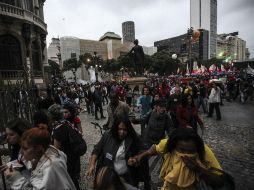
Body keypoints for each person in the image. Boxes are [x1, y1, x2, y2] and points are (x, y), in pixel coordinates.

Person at [129, 128, 224, 190]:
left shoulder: (204, 151)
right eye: (182, 150)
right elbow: (154, 149)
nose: (186, 154)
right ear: (174, 147)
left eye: (191, 151)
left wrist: (198, 169)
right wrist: (139, 157)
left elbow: (220, 181)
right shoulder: (168, 145)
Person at [86, 116, 149, 189]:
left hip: (126, 179)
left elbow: (143, 152)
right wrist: (92, 165)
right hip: (108, 178)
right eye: (119, 129)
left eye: (125, 130)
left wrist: (136, 159)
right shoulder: (107, 136)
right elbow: (97, 150)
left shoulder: (134, 139)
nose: (122, 132)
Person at [4, 128, 76, 190]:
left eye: (25, 148)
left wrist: (15, 178)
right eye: (21, 148)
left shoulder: (51, 166)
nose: (21, 152)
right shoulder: (41, 155)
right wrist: (10, 165)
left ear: (38, 148)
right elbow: (29, 163)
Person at [48, 104, 80, 190]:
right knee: (72, 177)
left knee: (70, 178)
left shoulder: (58, 128)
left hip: (67, 158)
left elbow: (56, 150)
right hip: (72, 155)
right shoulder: (66, 123)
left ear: (52, 117)